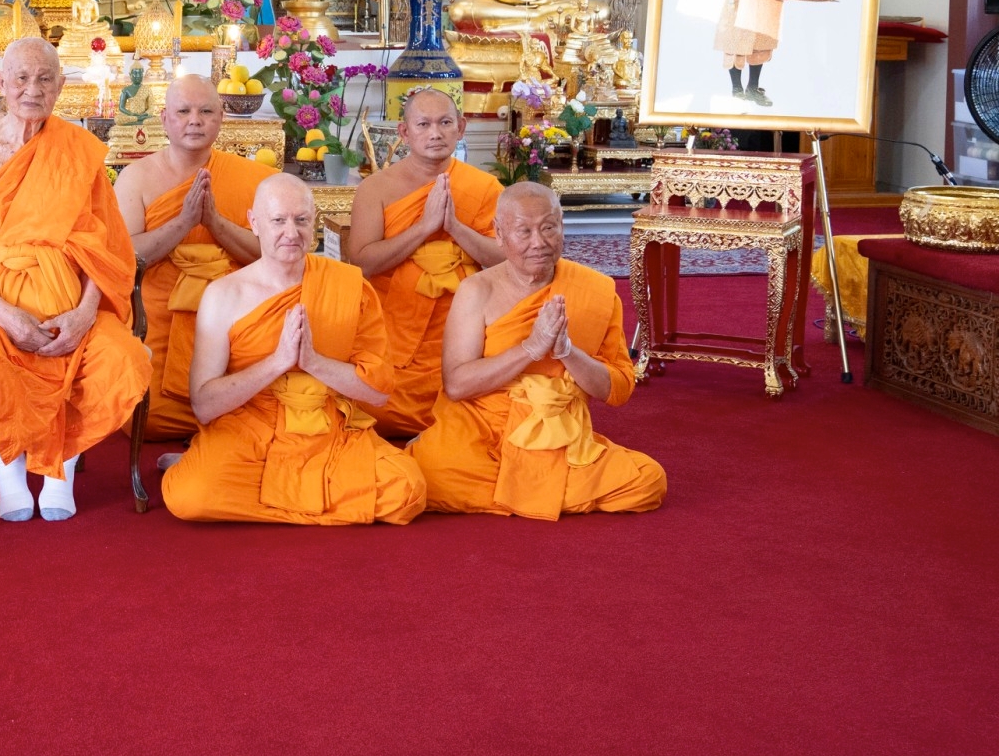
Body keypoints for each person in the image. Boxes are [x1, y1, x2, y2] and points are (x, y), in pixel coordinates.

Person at [0, 37, 150, 521]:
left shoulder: (77, 151)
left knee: (121, 358)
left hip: (70, 299)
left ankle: (63, 463)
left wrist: (84, 314)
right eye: (21, 78)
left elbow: (103, 247)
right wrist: (7, 316)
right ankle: (9, 466)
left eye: (44, 79)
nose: (32, 89)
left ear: (60, 86)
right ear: (2, 82)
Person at [162, 175, 424, 526]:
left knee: (408, 491)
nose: (291, 232)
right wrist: (277, 362)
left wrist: (313, 362)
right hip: (250, 431)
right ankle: (306, 493)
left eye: (301, 220)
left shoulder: (349, 286)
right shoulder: (224, 295)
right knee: (188, 497)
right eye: (278, 220)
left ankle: (263, 486)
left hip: (326, 431)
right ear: (254, 223)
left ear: (314, 222)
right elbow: (205, 405)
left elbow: (377, 392)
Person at [413, 182, 667, 519]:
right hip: (481, 432)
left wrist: (567, 352)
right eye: (524, 231)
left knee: (648, 480)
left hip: (558, 437)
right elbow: (457, 385)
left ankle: (521, 490)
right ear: (499, 234)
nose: (539, 242)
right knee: (425, 475)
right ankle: (540, 492)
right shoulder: (476, 290)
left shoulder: (596, 290)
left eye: (549, 228)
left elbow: (619, 389)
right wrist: (530, 348)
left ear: (562, 226)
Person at [113, 73, 265, 441]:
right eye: (183, 111)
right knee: (145, 418)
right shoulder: (136, 178)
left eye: (206, 111)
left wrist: (214, 223)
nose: (195, 120)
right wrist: (184, 222)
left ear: (221, 117)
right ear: (164, 118)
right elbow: (125, 256)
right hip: (159, 313)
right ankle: (210, 435)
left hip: (233, 316)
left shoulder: (253, 178)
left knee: (262, 406)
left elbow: (272, 254)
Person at [346, 88, 503, 436]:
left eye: (445, 123)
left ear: (460, 128)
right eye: (424, 124)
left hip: (464, 326)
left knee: (494, 405)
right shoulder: (376, 188)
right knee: (375, 405)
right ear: (405, 132)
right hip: (395, 325)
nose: (435, 133)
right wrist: (424, 228)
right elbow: (363, 262)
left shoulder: (484, 187)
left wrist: (456, 228)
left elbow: (507, 260)